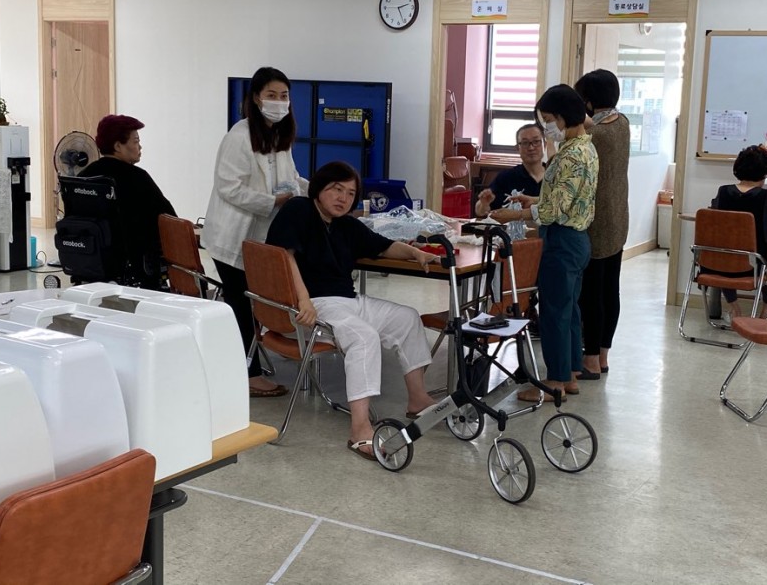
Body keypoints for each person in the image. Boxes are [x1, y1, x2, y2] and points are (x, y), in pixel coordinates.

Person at [266, 161, 439, 460]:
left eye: (350, 193)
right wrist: (303, 300)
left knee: (407, 318)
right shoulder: (299, 209)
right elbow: (284, 256)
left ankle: (418, 399)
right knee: (363, 337)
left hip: (348, 301)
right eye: (336, 189)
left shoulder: (346, 225)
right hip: (315, 304)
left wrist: (415, 253)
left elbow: (384, 246)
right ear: (319, 188)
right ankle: (360, 429)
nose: (343, 198)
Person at [201, 67, 308, 398]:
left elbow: (292, 178)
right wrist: (271, 201)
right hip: (232, 236)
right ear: (256, 99)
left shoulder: (278, 136)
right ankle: (248, 375)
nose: (279, 102)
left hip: (257, 237)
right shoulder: (239, 136)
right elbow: (228, 187)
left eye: (284, 96)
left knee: (249, 300)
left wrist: (317, 191)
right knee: (240, 303)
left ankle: (250, 362)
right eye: (271, 95)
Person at [490, 85, 598, 402]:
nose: (547, 127)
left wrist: (515, 214)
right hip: (577, 239)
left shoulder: (570, 156)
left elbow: (556, 210)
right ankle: (571, 373)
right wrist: (534, 199)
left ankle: (554, 382)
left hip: (562, 240)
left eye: (549, 120)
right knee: (569, 310)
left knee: (553, 313)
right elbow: (568, 197)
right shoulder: (585, 148)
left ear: (564, 116)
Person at [573, 69, 631, 380]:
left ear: (588, 101)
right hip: (618, 217)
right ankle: (603, 356)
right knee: (611, 290)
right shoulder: (622, 123)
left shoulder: (595, 136)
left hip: (596, 221)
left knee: (591, 294)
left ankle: (591, 359)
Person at [81, 114, 176, 289]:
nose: (140, 146)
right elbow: (168, 218)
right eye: (136, 141)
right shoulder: (137, 177)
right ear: (118, 146)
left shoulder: (83, 177)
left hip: (91, 262)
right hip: (136, 266)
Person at [710, 145, 767, 318]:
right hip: (756, 267)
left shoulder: (723, 192)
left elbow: (714, 214)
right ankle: (766, 309)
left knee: (727, 258)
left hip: (720, 264)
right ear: (765, 173)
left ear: (737, 169)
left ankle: (734, 307)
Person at [474, 123, 546, 217]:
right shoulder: (506, 177)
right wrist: (484, 204)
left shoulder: (557, 175)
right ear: (517, 148)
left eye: (536, 141)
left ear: (545, 144)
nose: (531, 147)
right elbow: (479, 211)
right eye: (525, 143)